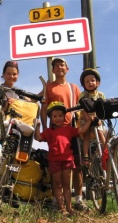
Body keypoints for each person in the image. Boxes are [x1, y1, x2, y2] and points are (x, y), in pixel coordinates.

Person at [40, 57, 87, 211]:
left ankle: (79, 200)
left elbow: (83, 107)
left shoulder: (74, 87)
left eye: (63, 65)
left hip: (72, 128)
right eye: (56, 65)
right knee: (56, 169)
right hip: (55, 131)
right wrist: (46, 127)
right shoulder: (49, 87)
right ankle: (56, 201)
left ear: (67, 69)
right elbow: (44, 107)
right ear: (53, 70)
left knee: (77, 165)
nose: (60, 67)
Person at [35, 101, 92, 216]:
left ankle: (69, 208)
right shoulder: (49, 132)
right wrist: (37, 126)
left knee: (66, 185)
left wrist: (89, 120)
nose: (58, 118)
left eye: (60, 116)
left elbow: (81, 130)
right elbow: (38, 137)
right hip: (54, 161)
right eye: (54, 116)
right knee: (57, 185)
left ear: (64, 117)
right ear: (50, 117)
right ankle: (62, 209)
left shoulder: (68, 129)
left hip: (67, 160)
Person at [79, 68, 106, 165]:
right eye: (87, 81)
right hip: (86, 118)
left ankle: (106, 150)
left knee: (100, 132)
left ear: (97, 83)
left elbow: (103, 108)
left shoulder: (100, 95)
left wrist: (100, 119)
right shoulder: (83, 95)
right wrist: (88, 120)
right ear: (84, 84)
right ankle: (85, 155)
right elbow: (82, 108)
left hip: (97, 117)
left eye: (92, 80)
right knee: (86, 135)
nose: (90, 83)